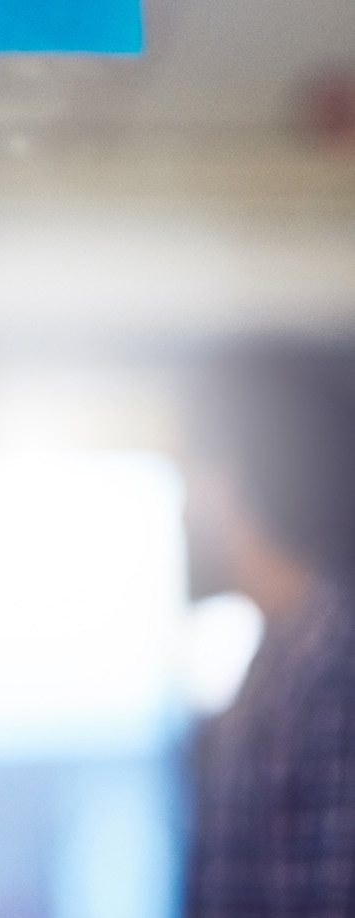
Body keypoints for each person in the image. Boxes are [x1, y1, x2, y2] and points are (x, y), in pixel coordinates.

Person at [182, 351, 355, 918]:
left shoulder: (333, 665)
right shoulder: (281, 655)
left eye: (194, 474)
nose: (185, 507)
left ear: (229, 485)